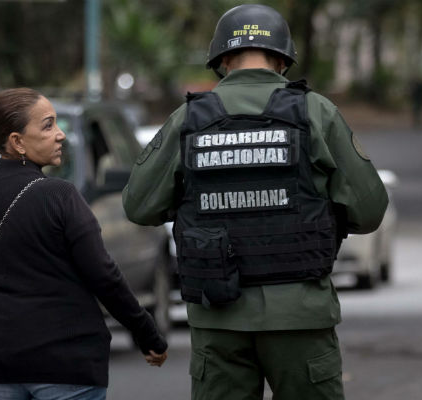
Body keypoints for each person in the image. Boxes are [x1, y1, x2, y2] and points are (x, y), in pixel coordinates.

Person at [122, 5, 388, 400]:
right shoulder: (315, 111)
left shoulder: (189, 119)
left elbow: (139, 206)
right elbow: (369, 211)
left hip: (219, 317)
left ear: (222, 60)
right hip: (300, 317)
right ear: (282, 59)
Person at [0, 88, 167, 400]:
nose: (61, 135)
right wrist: (147, 333)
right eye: (48, 126)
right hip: (66, 368)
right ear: (17, 141)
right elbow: (104, 276)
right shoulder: (61, 197)